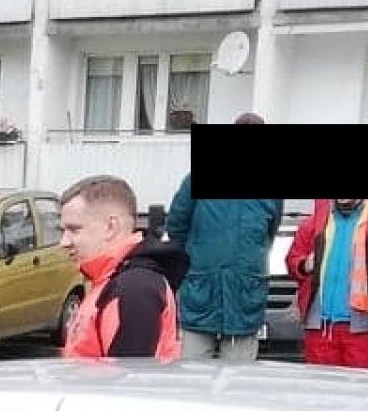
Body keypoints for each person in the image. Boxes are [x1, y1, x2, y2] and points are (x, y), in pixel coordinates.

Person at [165, 114, 281, 363]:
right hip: (202, 291)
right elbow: (176, 225)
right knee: (193, 372)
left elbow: (267, 236)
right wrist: (195, 261)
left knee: (239, 378)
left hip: (244, 296)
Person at [58, 175, 187, 360]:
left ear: (111, 227)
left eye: (74, 229)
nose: (64, 242)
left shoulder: (134, 288)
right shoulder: (111, 280)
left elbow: (129, 375)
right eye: (63, 231)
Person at [286, 198, 368, 369]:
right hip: (320, 329)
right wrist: (303, 265)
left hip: (363, 329)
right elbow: (293, 259)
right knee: (319, 386)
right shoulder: (316, 220)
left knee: (361, 385)